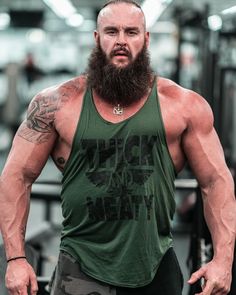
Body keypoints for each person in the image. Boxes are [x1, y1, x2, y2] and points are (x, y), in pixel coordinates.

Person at [0, 1, 235, 294]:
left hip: (155, 267)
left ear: (146, 39)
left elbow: (216, 181)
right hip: (80, 267)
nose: (121, 41)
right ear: (97, 39)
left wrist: (223, 261)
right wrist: (16, 258)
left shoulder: (183, 106)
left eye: (131, 32)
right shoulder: (56, 105)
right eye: (111, 31)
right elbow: (15, 176)